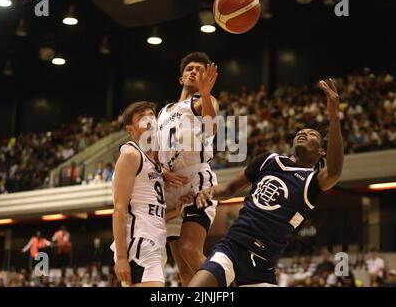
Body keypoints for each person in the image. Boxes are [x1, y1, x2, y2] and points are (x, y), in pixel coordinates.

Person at [189, 79, 344, 287]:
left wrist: (334, 117)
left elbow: (334, 172)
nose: (303, 133)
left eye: (311, 134)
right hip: (232, 247)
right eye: (301, 131)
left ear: (321, 151)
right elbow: (230, 188)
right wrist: (209, 192)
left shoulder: (312, 182)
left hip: (262, 267)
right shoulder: (268, 160)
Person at [156, 52, 220, 285]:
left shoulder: (205, 100)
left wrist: (205, 91)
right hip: (170, 189)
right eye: (189, 68)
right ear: (181, 78)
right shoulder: (163, 112)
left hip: (197, 182)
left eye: (200, 69)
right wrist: (162, 172)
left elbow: (211, 128)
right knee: (183, 267)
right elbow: (155, 151)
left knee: (190, 248)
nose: (194, 71)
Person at [110, 101, 189, 287]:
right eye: (142, 117)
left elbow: (144, 209)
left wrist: (174, 212)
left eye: (151, 115)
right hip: (140, 243)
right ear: (131, 129)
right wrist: (121, 258)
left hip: (155, 241)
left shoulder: (154, 161)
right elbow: (119, 208)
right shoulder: (131, 154)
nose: (149, 120)